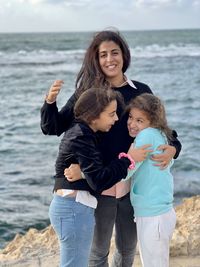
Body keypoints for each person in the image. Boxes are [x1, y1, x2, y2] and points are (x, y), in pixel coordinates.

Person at [41, 30, 181, 267]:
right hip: (100, 185)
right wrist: (50, 102)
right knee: (98, 254)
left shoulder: (141, 90)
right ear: (96, 59)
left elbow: (162, 128)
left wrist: (174, 148)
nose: (109, 59)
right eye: (102, 55)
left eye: (114, 53)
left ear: (124, 55)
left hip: (131, 186)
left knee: (127, 251)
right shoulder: (90, 93)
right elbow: (53, 127)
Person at [49, 87, 139, 267]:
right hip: (73, 209)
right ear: (94, 115)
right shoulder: (82, 136)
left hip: (74, 208)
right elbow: (99, 181)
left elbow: (94, 174)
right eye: (112, 114)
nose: (116, 118)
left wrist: (83, 173)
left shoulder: (84, 132)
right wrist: (128, 160)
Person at [125, 93, 177, 267]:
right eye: (131, 117)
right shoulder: (160, 134)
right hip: (161, 211)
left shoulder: (146, 136)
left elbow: (126, 172)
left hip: (153, 214)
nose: (132, 124)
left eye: (140, 120)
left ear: (152, 122)